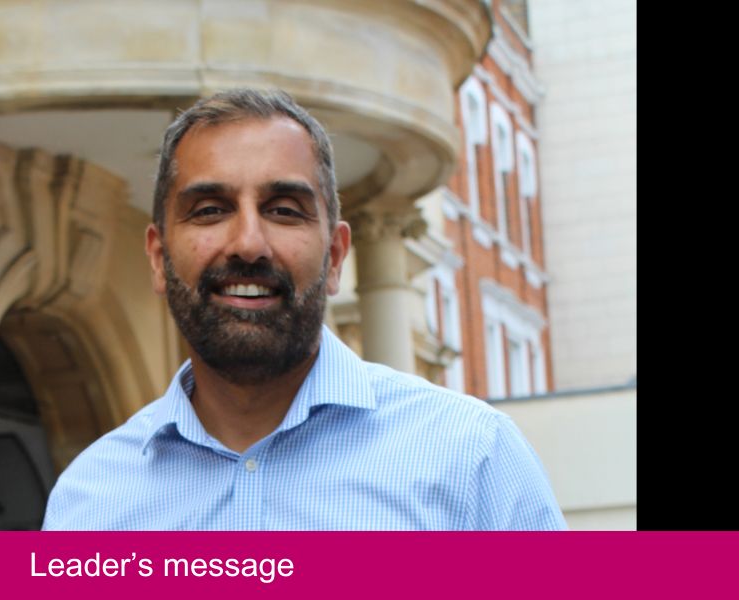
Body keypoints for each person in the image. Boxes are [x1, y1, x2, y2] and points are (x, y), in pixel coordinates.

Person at [42, 88, 567, 530]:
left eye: (283, 211)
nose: (248, 243)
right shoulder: (89, 502)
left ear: (335, 255)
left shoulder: (473, 458)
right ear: (158, 258)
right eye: (210, 211)